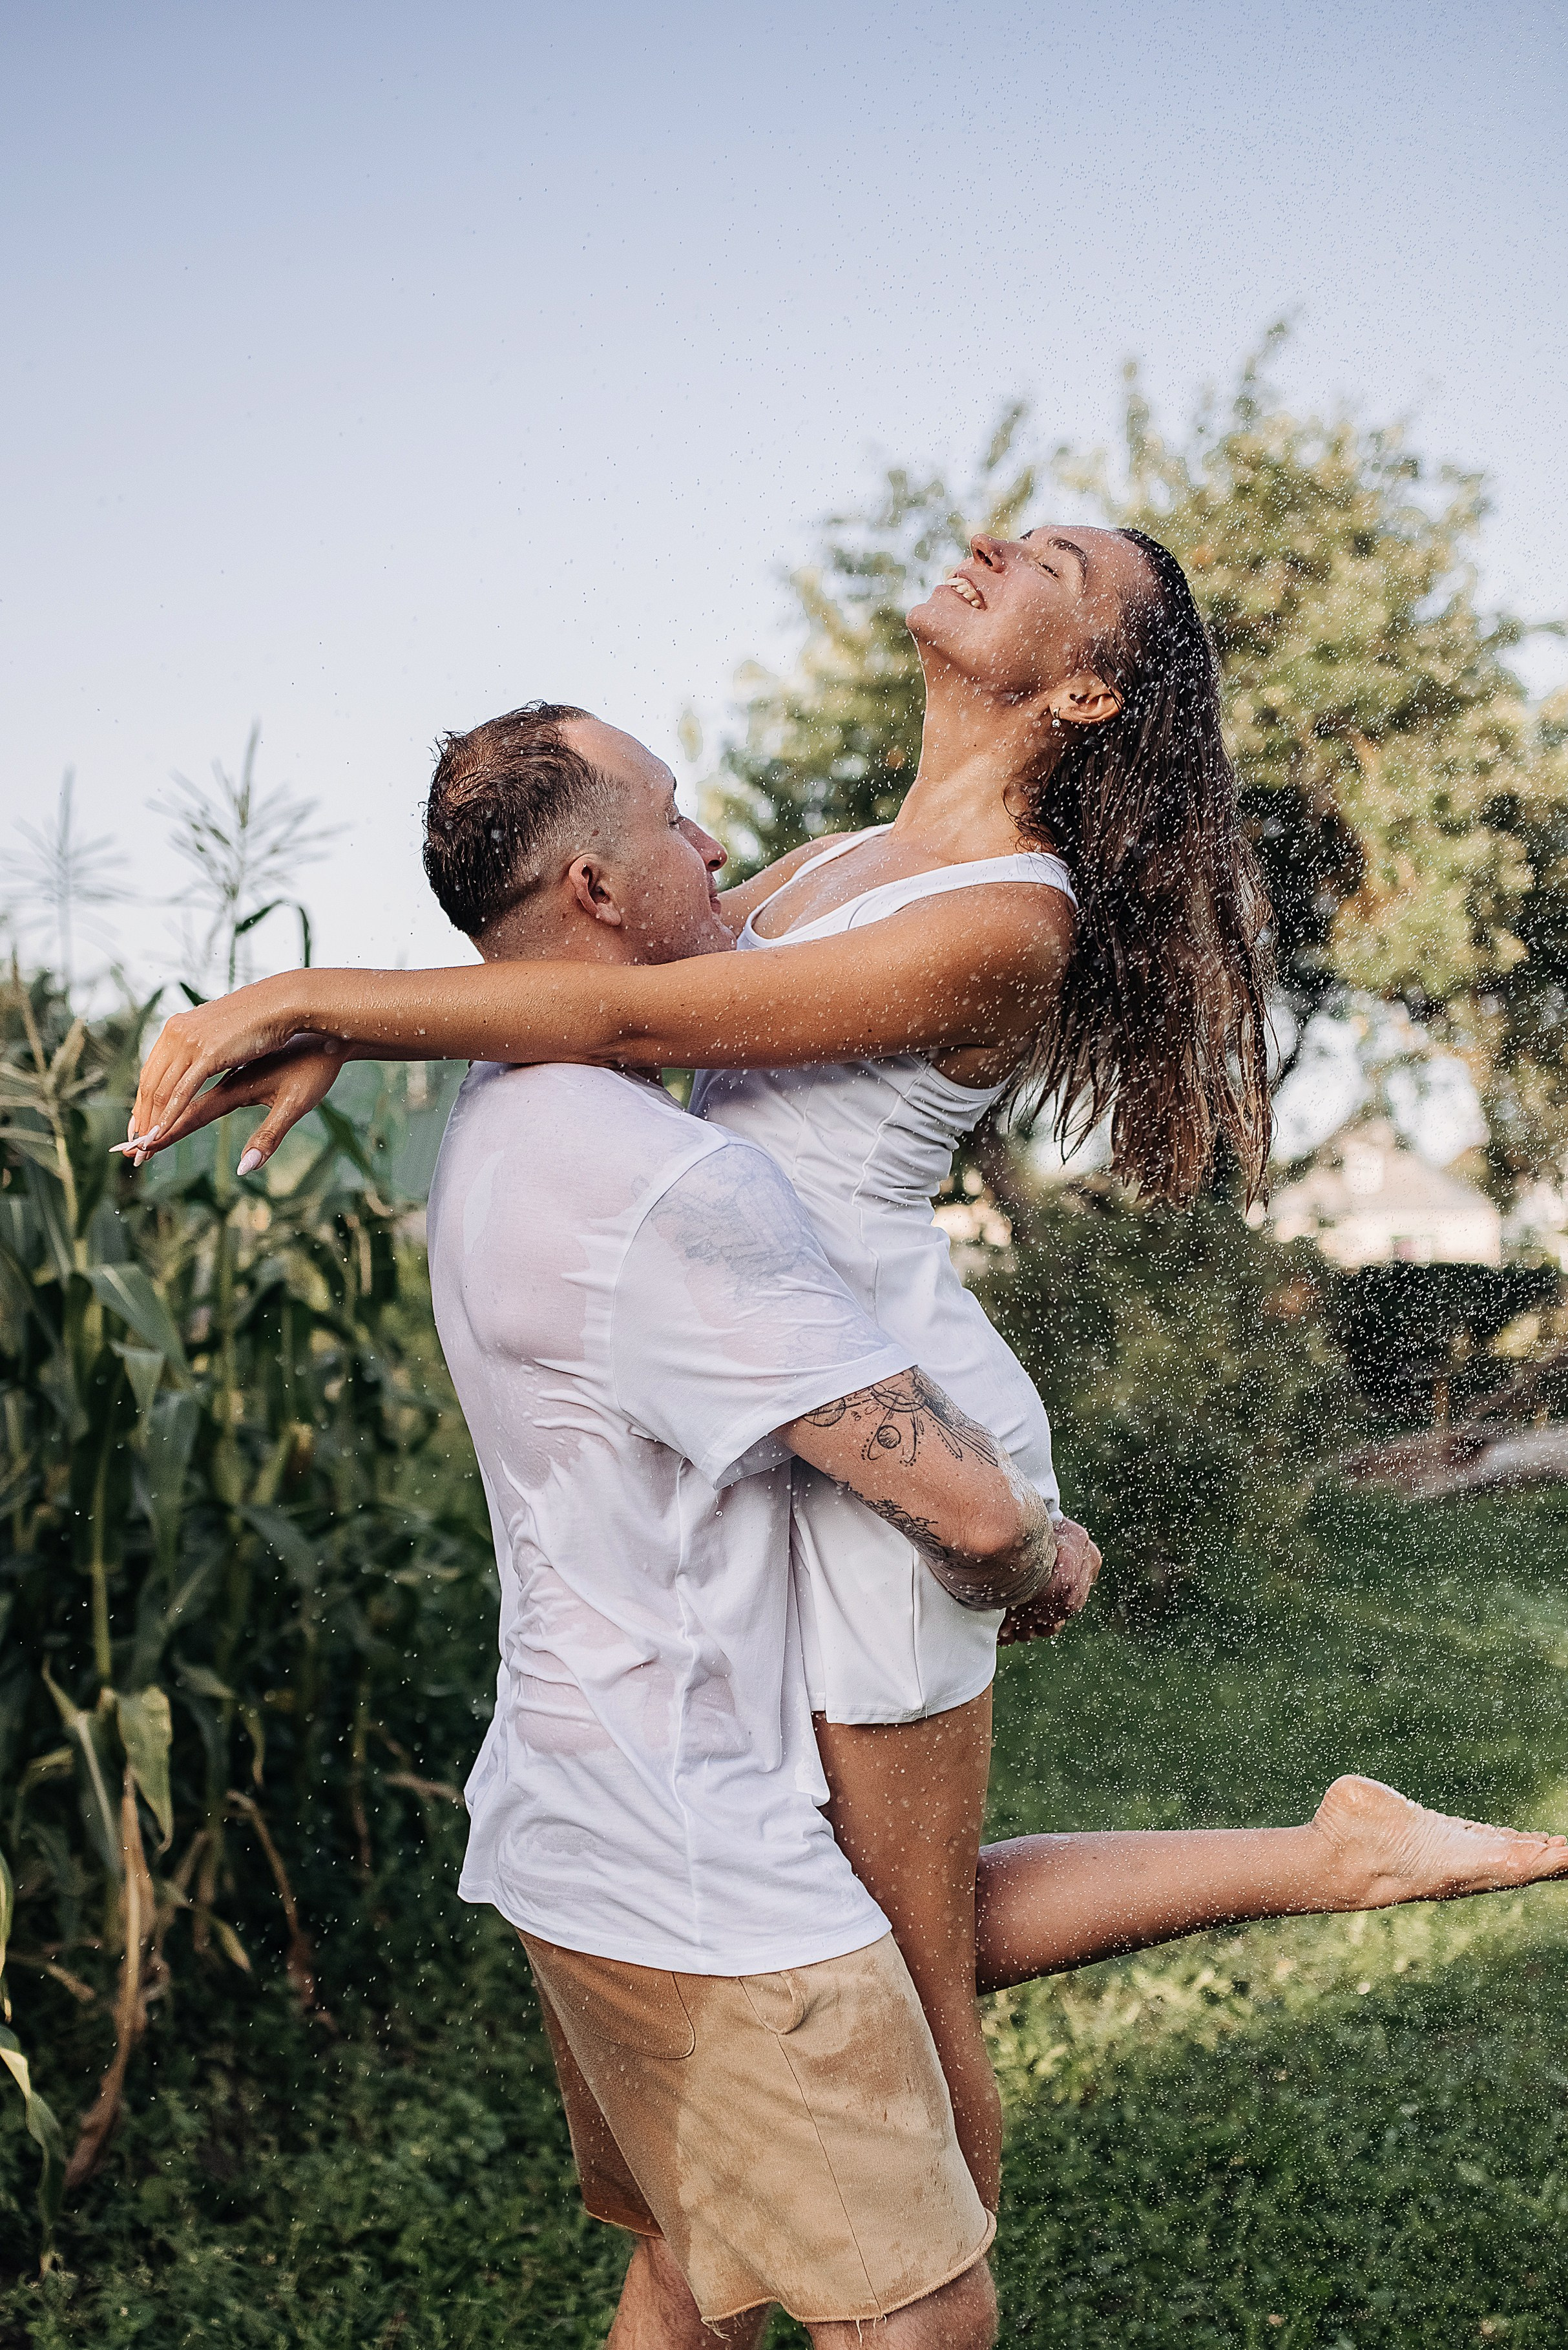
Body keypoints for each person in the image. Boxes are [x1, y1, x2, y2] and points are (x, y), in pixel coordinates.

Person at [121, 529, 1568, 2214]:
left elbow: (636, 1032)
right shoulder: (834, 858)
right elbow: (599, 972)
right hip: (781, 1404)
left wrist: (309, 996)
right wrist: (335, 1022)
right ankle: (1334, 1850)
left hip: (893, 1434)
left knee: (914, 1989)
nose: (987, 546)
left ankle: (924, 2295)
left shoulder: (1007, 915)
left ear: (1084, 685)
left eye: (1050, 561)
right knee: (867, 1913)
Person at [409, 733, 1092, 2345]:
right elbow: (970, 1506)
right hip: (709, 1875)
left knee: (692, 2271)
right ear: (591, 886)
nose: (716, 844)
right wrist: (1041, 1560)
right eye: (671, 820)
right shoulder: (667, 1184)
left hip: (566, 1825)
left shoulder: (497, 1121)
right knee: (918, 2311)